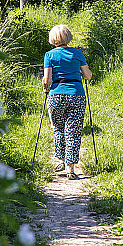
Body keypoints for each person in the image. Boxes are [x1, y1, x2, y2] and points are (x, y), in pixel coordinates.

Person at [42, 24, 93, 180]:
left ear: (53, 39)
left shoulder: (49, 55)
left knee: (58, 128)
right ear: (68, 36)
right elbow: (88, 76)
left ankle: (60, 160)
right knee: (74, 130)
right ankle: (70, 169)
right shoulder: (77, 53)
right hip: (76, 94)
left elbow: (47, 80)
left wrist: (45, 88)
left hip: (56, 95)